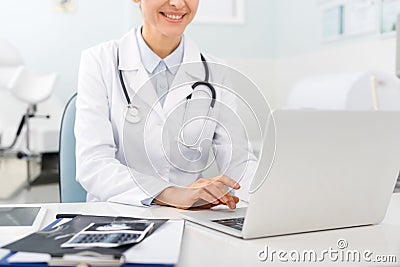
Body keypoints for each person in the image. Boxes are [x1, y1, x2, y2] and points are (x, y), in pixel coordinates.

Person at [75, 0, 257, 209]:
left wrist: (273, 198)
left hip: (190, 219)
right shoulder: (99, 61)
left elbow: (239, 161)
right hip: (117, 214)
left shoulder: (216, 71)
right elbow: (93, 164)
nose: (178, 3)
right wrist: (172, 194)